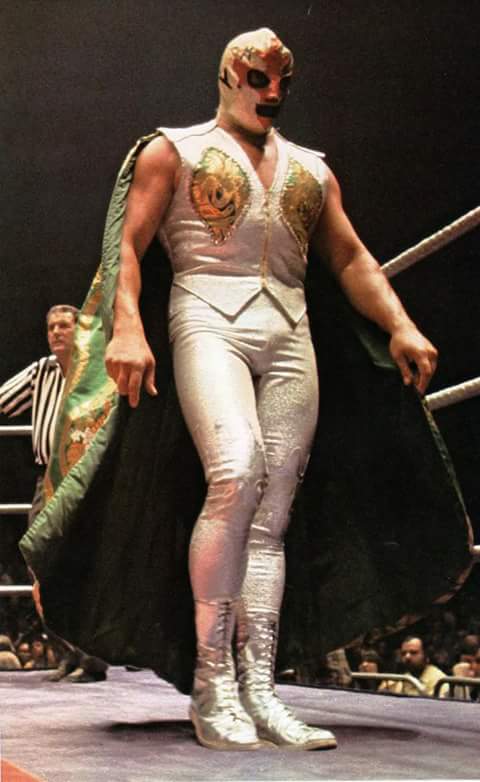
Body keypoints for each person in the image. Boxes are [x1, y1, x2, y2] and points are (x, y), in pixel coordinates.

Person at [20, 27, 472, 753]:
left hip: (290, 329)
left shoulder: (311, 169)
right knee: (236, 472)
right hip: (204, 314)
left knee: (274, 509)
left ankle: (260, 687)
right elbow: (128, 246)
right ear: (228, 77)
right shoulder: (173, 149)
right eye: (259, 78)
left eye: (282, 81)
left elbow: (350, 257)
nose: (273, 93)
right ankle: (212, 682)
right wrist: (127, 327)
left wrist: (400, 324)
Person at [0, 305, 107, 683]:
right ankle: (67, 652)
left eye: (64, 325)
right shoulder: (42, 371)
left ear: (80, 331)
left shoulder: (96, 372)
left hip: (86, 480)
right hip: (47, 479)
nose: (57, 332)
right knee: (41, 564)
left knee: (83, 565)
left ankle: (91, 658)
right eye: (51, 327)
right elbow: (3, 400)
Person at [379, 636, 448, 697]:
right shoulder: (405, 677)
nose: (407, 657)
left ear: (426, 655)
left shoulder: (439, 681)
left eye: (413, 652)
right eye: (403, 653)